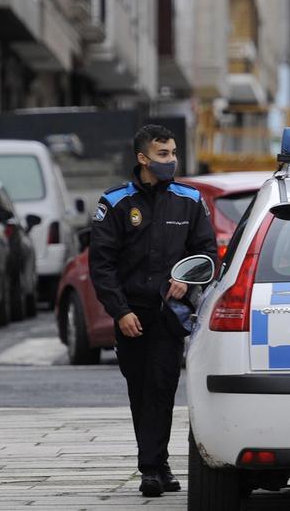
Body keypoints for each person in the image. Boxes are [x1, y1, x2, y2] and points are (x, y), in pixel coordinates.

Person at [89, 124, 216, 497]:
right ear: (143, 158)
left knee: (162, 387)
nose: (171, 160)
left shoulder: (190, 201)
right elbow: (102, 265)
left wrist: (189, 281)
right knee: (140, 390)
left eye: (174, 153)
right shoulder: (115, 203)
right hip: (131, 313)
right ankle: (156, 463)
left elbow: (209, 253)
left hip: (168, 313)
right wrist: (120, 311)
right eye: (163, 154)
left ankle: (151, 468)